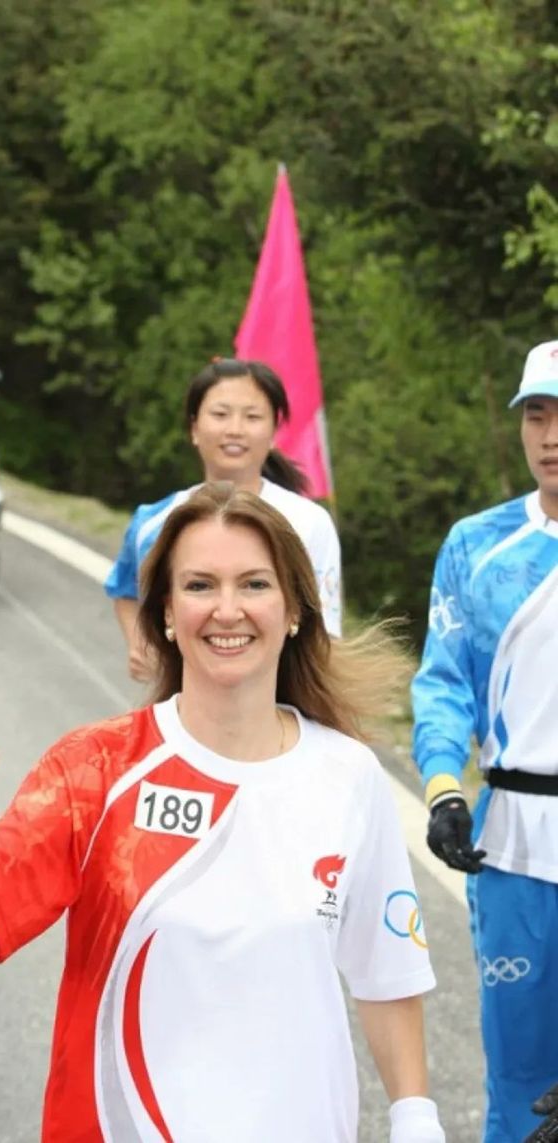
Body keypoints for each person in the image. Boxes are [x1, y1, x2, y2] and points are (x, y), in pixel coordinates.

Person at [0, 483, 444, 1142]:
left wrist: (416, 1119)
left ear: (295, 610)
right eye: (199, 585)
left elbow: (388, 973)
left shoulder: (349, 776)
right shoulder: (96, 769)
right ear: (165, 612)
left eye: (254, 584)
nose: (227, 609)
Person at [411, 339, 558, 1142]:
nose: (551, 435)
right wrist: (443, 790)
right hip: (514, 843)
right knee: (520, 1077)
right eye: (537, 414)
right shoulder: (476, 544)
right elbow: (443, 683)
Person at [105, 357, 341, 680]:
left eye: (252, 417)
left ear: (274, 432)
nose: (235, 430)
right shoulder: (154, 521)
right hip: (178, 700)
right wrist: (141, 644)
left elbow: (325, 634)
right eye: (220, 414)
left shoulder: (308, 522)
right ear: (194, 428)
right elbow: (125, 590)